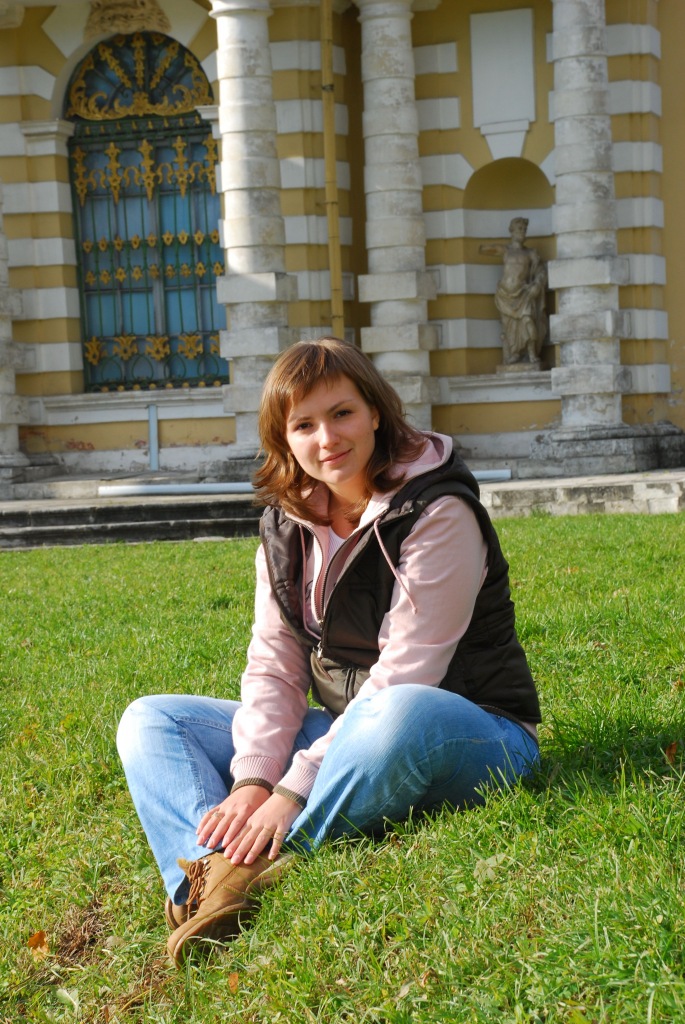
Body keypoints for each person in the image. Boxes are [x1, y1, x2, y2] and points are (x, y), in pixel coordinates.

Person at [117, 337, 541, 966]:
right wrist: (254, 778)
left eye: (342, 413)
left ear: (376, 413)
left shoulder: (438, 511)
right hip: (351, 733)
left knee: (398, 710)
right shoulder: (285, 525)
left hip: (468, 731)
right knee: (152, 719)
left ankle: (262, 863)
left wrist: (289, 792)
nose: (327, 438)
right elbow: (274, 664)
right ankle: (205, 876)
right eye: (305, 424)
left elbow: (408, 672)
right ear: (284, 439)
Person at [480, 217, 548, 365]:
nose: (523, 232)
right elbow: (485, 249)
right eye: (519, 229)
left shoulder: (530, 253)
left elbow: (541, 271)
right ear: (511, 231)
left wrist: (537, 284)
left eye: (524, 229)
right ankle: (515, 353)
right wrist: (482, 247)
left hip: (523, 294)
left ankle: (531, 354)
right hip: (505, 295)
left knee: (528, 321)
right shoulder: (505, 250)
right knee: (508, 327)